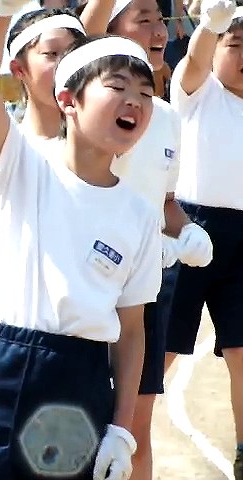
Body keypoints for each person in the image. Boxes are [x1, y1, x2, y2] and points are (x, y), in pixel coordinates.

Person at [0, 1, 164, 478]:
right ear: (68, 100)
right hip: (2, 366)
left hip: (83, 382)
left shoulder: (139, 215)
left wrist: (121, 428)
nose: (134, 102)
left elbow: (132, 330)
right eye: (117, 87)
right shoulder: (25, 165)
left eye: (145, 93)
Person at [79, 1, 214, 478]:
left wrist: (187, 230)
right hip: (89, 283)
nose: (160, 31)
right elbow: (82, 34)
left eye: (160, 19)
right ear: (109, 30)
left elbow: (165, 202)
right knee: (79, 423)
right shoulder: (84, 110)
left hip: (145, 289)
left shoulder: (168, 117)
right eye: (144, 19)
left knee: (134, 430)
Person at [161, 2, 243, 479]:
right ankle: (112, 422)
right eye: (237, 45)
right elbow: (194, 59)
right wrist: (212, 25)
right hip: (189, 228)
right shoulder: (197, 90)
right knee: (165, 347)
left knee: (242, 350)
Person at [0, 8, 86, 256]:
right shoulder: (7, 147)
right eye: (52, 54)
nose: (66, 64)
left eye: (74, 53)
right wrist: (0, 8)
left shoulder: (106, 142)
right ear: (18, 69)